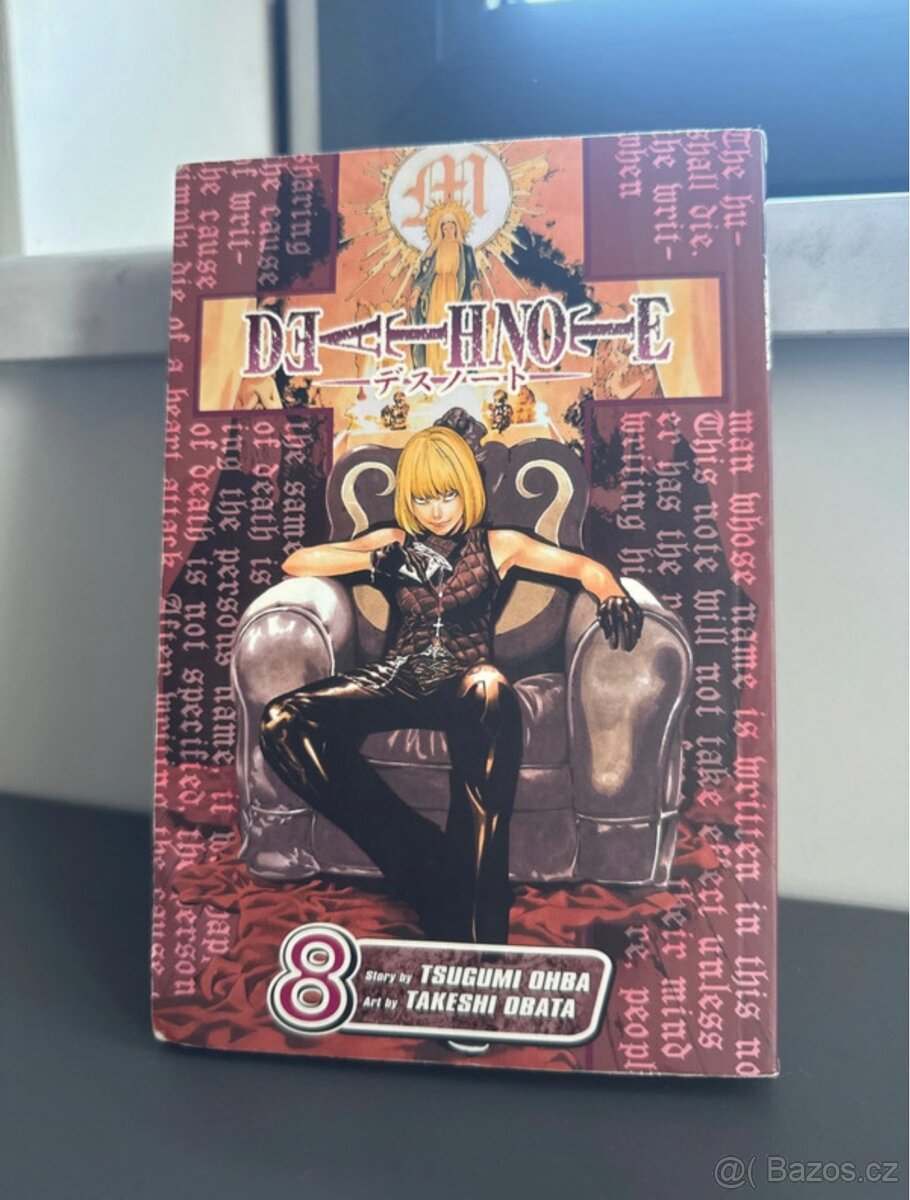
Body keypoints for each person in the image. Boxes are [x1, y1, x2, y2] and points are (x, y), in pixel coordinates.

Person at [259, 422, 643, 945]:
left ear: (467, 489)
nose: (436, 511)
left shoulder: (499, 544)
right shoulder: (393, 540)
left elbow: (581, 568)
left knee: (489, 689)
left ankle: (480, 919)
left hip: (466, 680)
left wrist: (612, 591)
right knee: (283, 721)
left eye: (447, 495)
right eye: (423, 499)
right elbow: (297, 561)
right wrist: (373, 560)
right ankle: (422, 857)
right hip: (400, 677)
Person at [407, 203, 482, 375]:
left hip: (456, 293)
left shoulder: (466, 250)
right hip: (436, 294)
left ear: (457, 228)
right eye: (445, 228)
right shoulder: (433, 250)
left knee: (455, 329)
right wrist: (416, 292)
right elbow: (424, 275)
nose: (448, 231)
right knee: (436, 328)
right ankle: (435, 370)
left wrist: (476, 290)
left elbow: (472, 274)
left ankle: (454, 370)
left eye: (451, 227)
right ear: (440, 230)